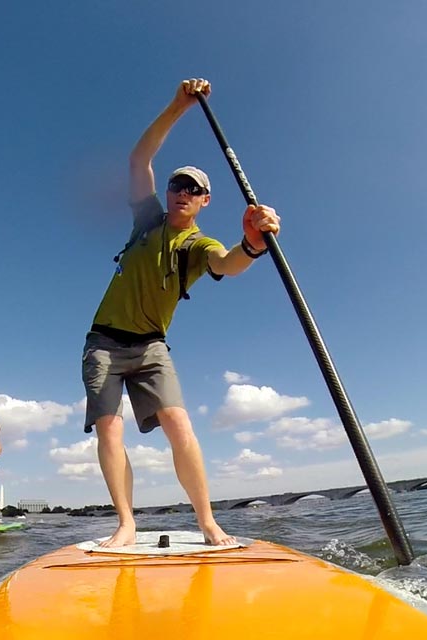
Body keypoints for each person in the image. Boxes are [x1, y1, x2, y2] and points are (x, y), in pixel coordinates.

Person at [81, 78, 282, 548]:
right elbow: (139, 160)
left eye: (194, 189)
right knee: (110, 426)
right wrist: (177, 105)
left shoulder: (197, 244)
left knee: (179, 423)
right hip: (104, 344)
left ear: (205, 201)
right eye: (177, 185)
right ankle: (126, 525)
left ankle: (209, 523)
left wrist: (253, 243)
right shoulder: (147, 220)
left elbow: (228, 265)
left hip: (151, 347)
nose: (182, 193)